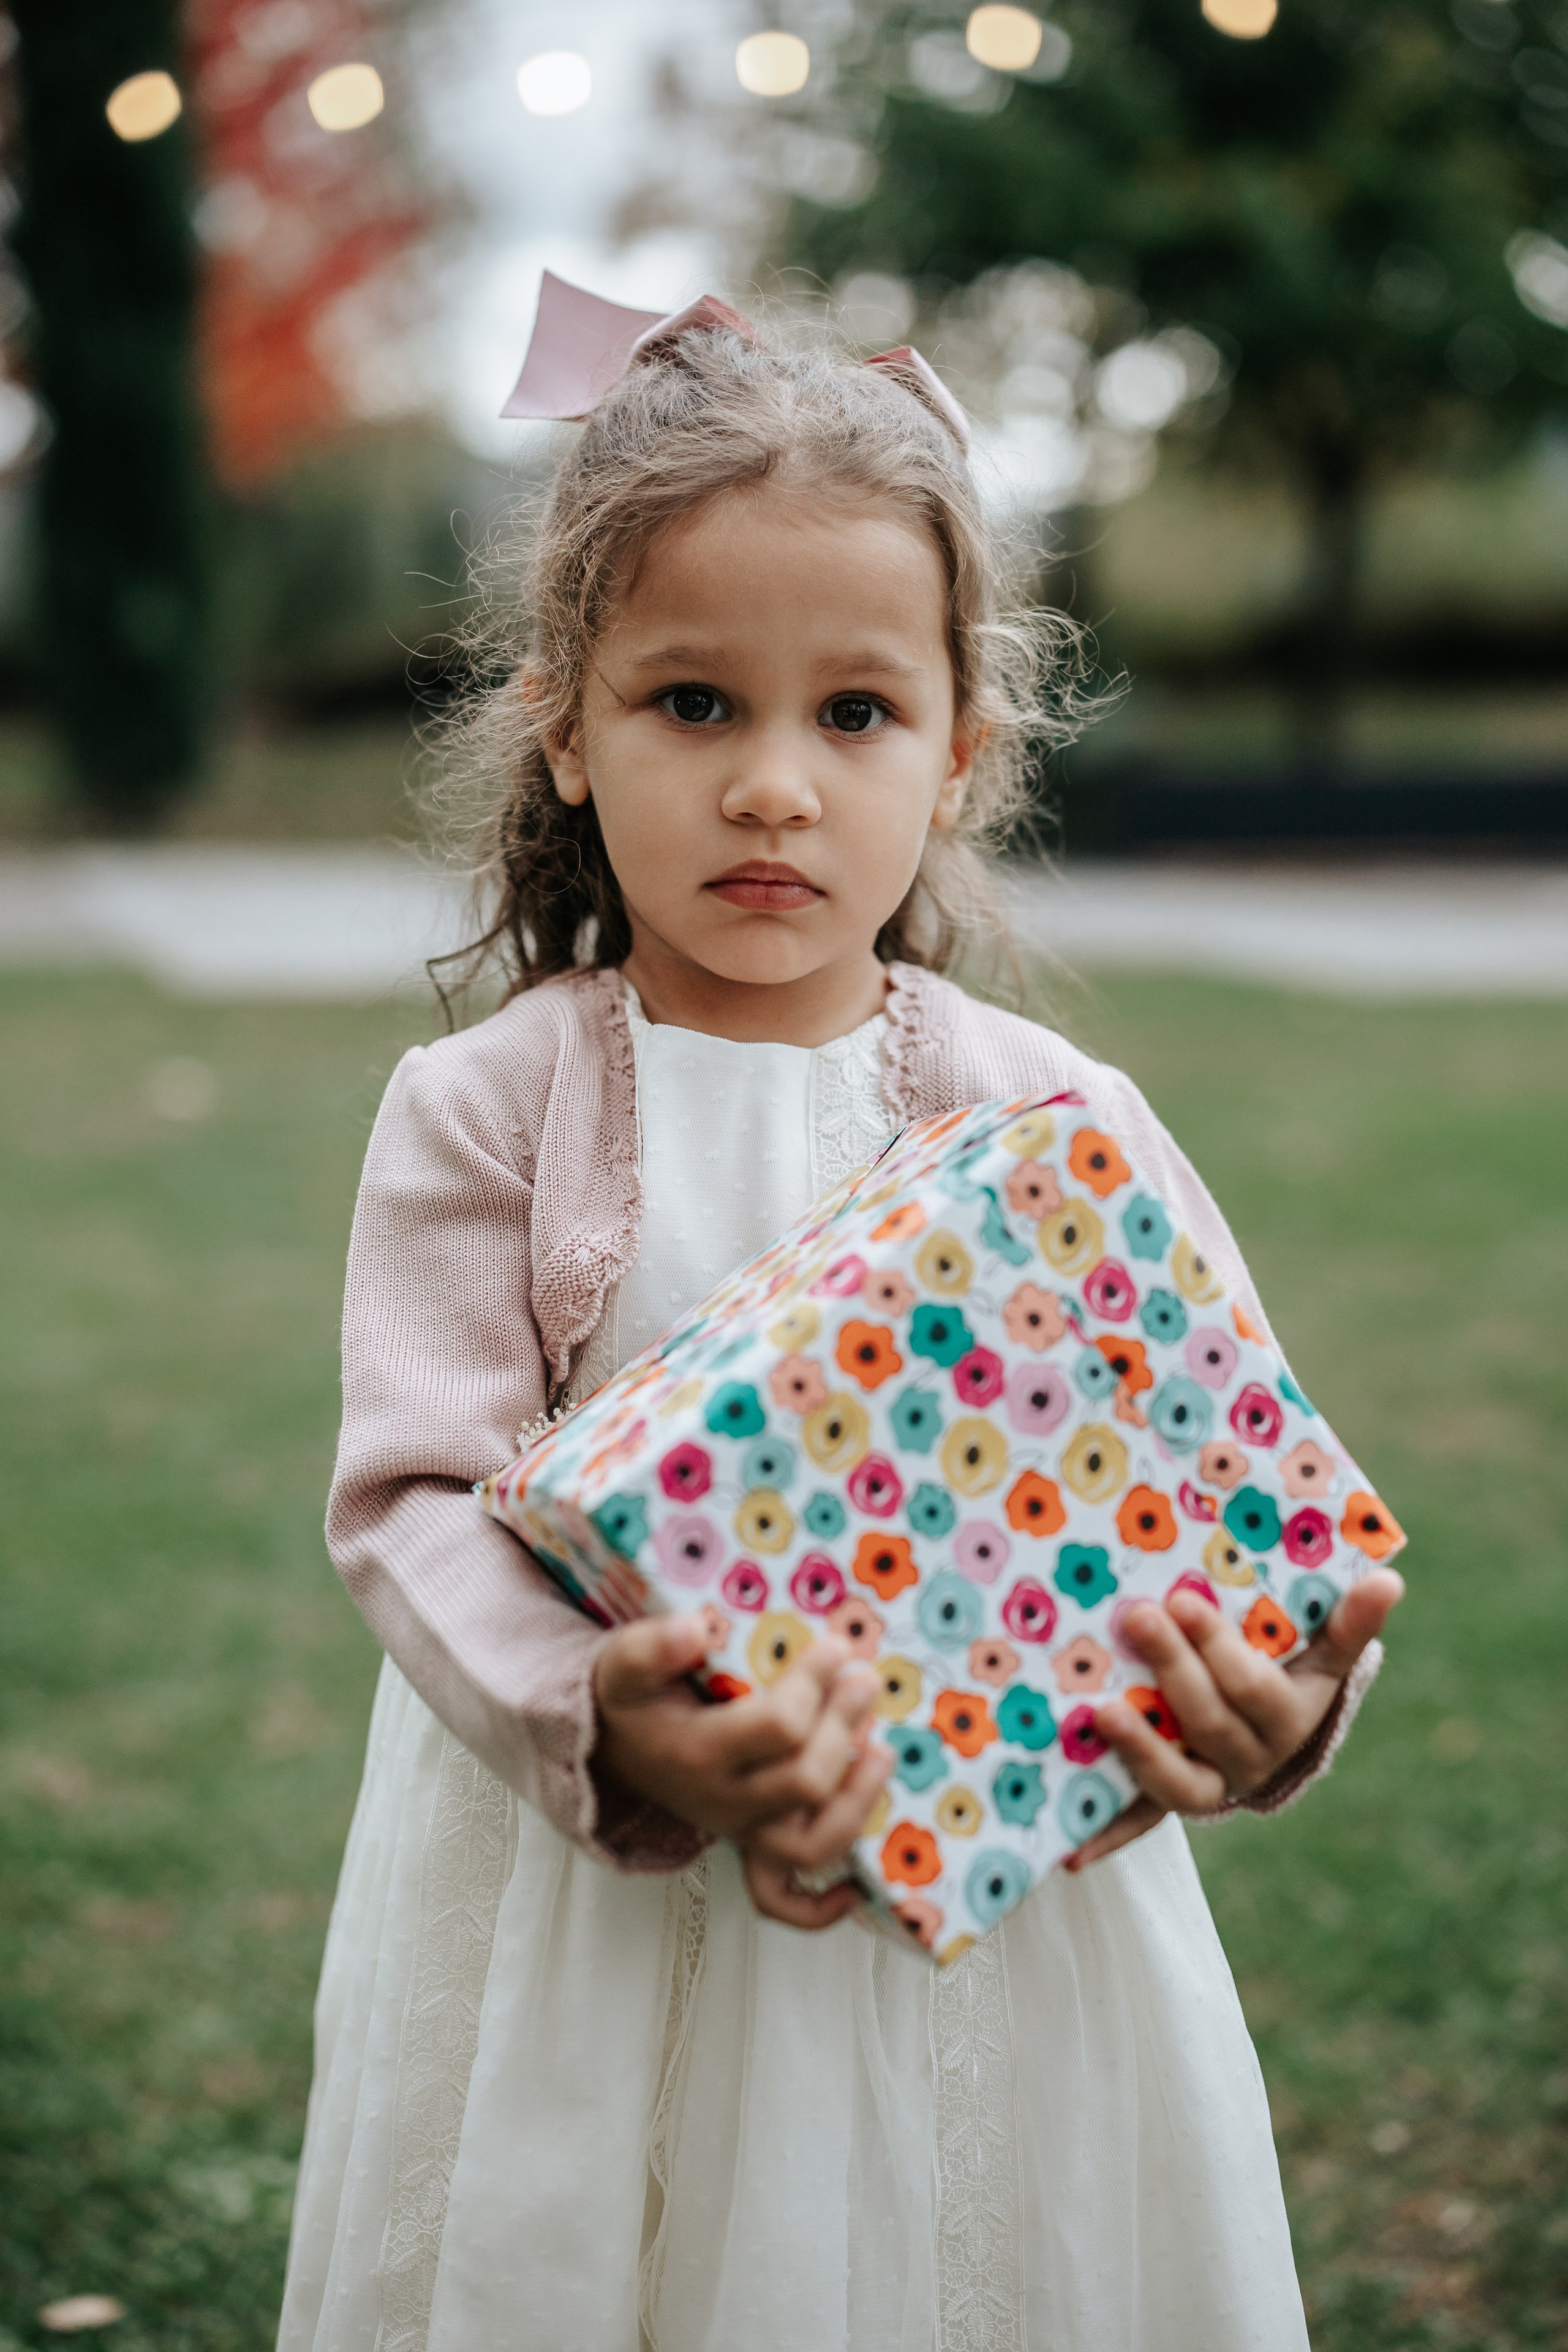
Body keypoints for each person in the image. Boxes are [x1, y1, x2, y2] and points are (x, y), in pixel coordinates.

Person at [277, 284, 1402, 2352]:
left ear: (962, 754)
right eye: (694, 705)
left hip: (995, 1925)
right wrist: (596, 1708)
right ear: (565, 720)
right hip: (586, 1913)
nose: (775, 787)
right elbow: (416, 1498)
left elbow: (1227, 1501)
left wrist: (1270, 1704)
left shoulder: (1059, 1124)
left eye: (855, 715)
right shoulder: (492, 1111)